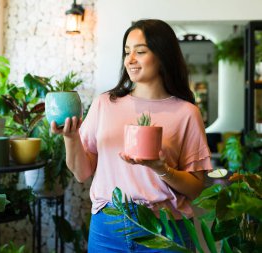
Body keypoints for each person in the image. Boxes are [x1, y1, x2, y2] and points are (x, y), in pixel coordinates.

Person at [51, 19, 212, 252]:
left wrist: (160, 168)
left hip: (164, 229)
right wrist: (71, 137)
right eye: (127, 52)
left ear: (162, 56)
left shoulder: (186, 113)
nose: (130, 60)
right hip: (108, 226)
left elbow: (196, 188)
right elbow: (81, 172)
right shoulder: (105, 104)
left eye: (140, 51)